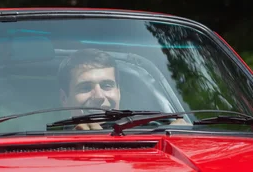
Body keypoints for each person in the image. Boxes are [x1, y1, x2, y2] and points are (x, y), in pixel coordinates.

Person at [58, 48, 187, 130]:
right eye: (85, 87)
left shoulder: (154, 132)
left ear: (118, 92)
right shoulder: (48, 147)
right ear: (64, 98)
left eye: (107, 86)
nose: (99, 96)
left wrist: (182, 135)